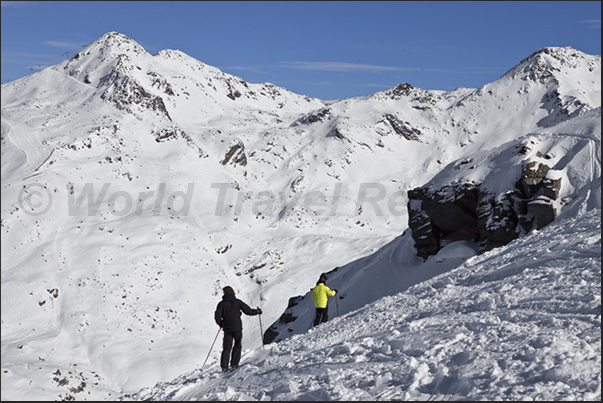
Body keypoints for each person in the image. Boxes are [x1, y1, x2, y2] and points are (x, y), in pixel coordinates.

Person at [214, 286, 262, 372]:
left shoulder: (221, 304)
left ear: (224, 293)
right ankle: (234, 364)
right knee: (237, 345)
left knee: (226, 348)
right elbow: (248, 311)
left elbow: (217, 316)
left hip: (227, 329)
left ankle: (224, 367)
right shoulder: (238, 302)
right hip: (237, 328)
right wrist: (257, 311)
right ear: (233, 292)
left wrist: (221, 324)